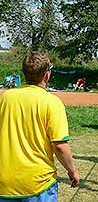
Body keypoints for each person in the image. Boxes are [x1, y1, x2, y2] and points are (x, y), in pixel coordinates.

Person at [0, 52, 80, 201]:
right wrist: (73, 171)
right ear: (47, 75)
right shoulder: (52, 102)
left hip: (4, 184)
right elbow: (60, 145)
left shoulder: (5, 97)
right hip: (38, 184)